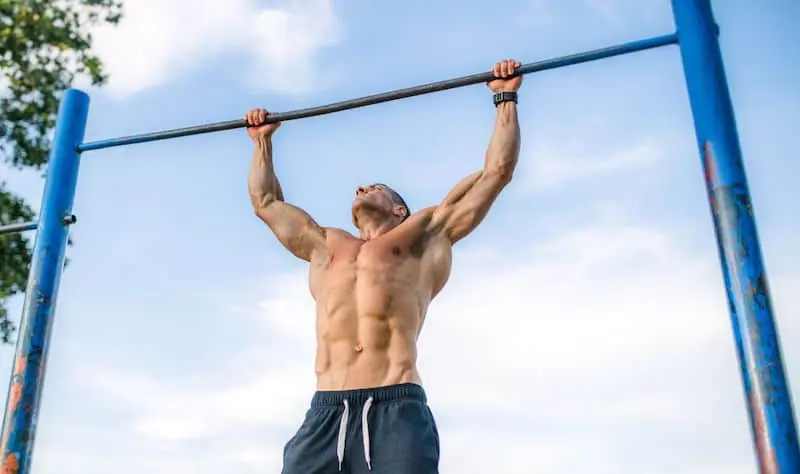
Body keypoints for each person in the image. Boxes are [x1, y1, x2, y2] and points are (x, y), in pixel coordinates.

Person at [245, 59, 523, 474]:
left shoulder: (423, 236)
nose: (360, 188)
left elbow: (495, 173)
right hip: (326, 411)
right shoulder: (327, 245)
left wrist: (505, 97)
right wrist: (262, 142)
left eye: (373, 187)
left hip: (396, 406)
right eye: (359, 188)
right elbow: (265, 203)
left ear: (398, 209)